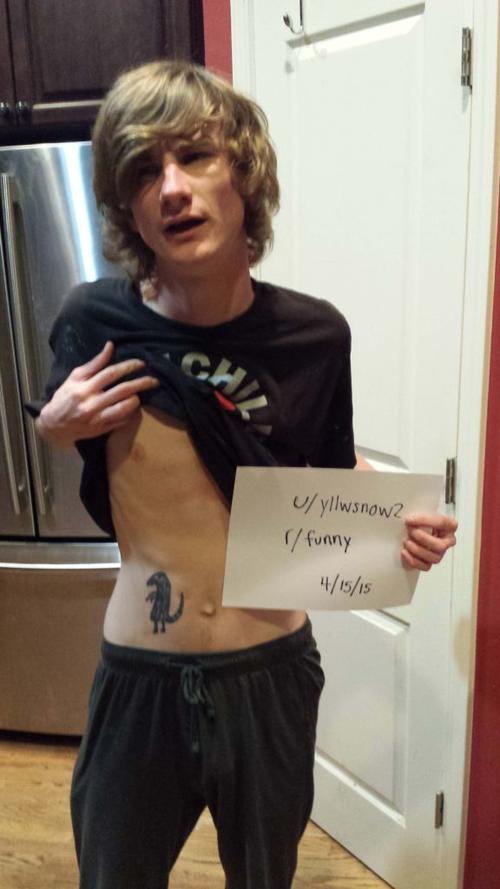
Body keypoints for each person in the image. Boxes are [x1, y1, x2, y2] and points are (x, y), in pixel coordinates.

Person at [33, 60, 457, 889]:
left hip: (270, 671)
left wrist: (397, 520)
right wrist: (53, 426)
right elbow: (64, 429)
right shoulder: (96, 321)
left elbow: (327, 469)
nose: (172, 188)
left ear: (245, 173)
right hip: (141, 675)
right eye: (144, 170)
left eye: (194, 156)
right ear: (126, 206)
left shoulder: (313, 335)